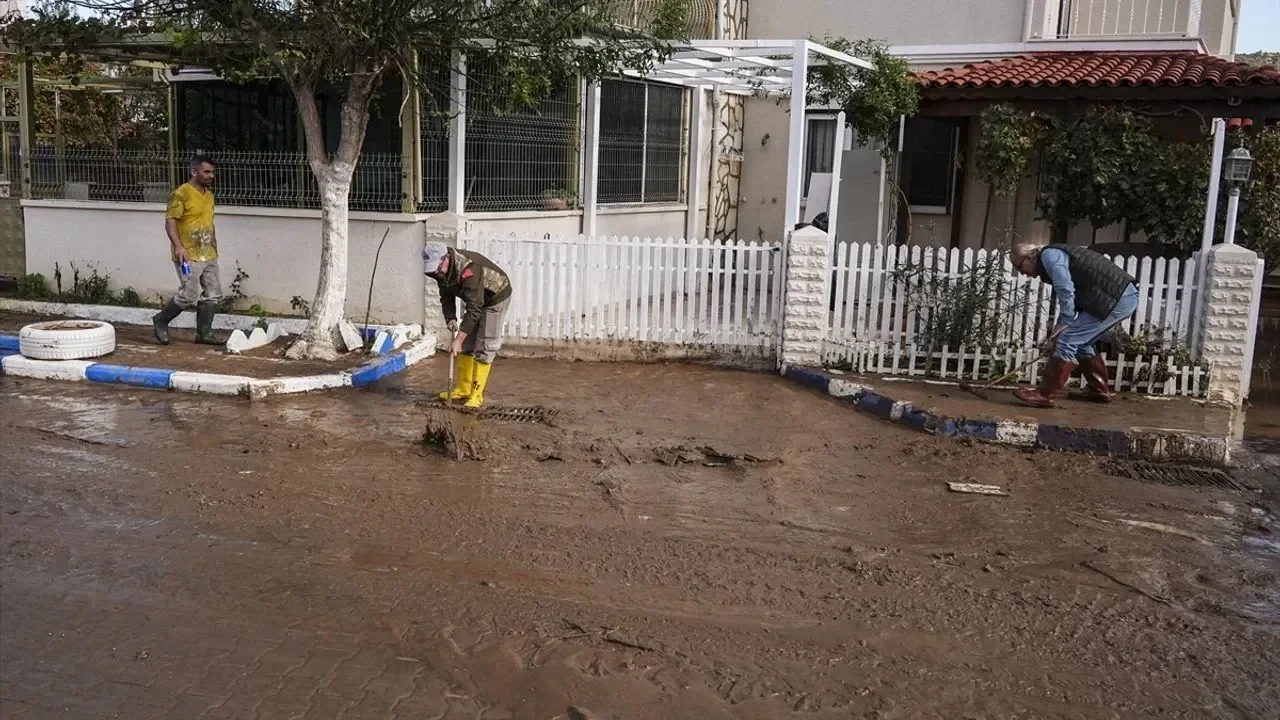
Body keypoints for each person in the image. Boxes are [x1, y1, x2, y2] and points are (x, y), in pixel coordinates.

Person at [1009, 242, 1139, 408]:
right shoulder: (1051, 258)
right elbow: (1070, 298)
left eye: (1019, 266)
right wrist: (1057, 332)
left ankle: (1044, 394)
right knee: (1080, 342)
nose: (1022, 273)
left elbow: (1066, 290)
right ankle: (1099, 391)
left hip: (1117, 299)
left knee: (1068, 340)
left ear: (1030, 256)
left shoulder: (1049, 256)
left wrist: (1063, 327)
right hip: (1116, 298)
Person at [423, 242, 512, 409]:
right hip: (476, 298)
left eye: (436, 268)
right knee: (467, 344)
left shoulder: (469, 269)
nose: (435, 273)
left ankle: (476, 395)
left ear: (446, 258)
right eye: (431, 270)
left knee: (485, 344)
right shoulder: (441, 273)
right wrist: (450, 318)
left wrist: (458, 339)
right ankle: (463, 389)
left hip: (495, 296)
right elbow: (446, 296)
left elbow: (474, 309)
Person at [152, 155, 223, 346]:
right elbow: (170, 221)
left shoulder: (209, 196)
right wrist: (178, 247)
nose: (211, 176)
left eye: (212, 172)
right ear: (194, 171)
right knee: (189, 294)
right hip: (187, 256)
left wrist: (214, 243)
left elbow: (209, 221)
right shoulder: (181, 194)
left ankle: (204, 334)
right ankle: (161, 320)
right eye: (207, 172)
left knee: (214, 292)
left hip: (207, 253)